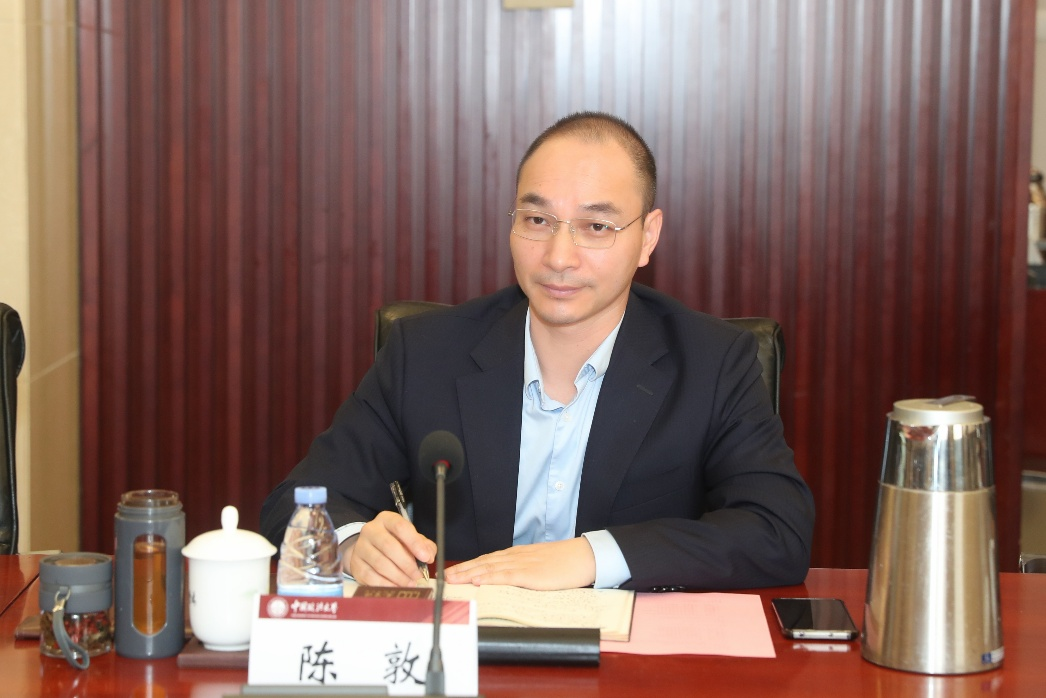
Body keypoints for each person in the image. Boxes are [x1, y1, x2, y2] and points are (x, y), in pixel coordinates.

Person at [261, 112, 814, 592]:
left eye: (596, 226)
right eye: (537, 220)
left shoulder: (713, 362)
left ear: (647, 236)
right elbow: (295, 502)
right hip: (463, 650)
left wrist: (591, 556)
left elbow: (778, 531)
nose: (558, 256)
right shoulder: (424, 353)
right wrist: (353, 543)